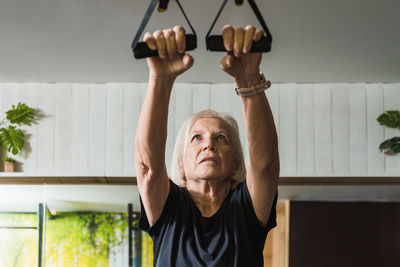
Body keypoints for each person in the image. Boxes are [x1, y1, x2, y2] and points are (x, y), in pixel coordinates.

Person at [135, 24, 279, 267]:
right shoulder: (169, 207)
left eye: (221, 138)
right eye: (197, 138)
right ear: (181, 163)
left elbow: (265, 167)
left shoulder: (245, 207)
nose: (209, 144)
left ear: (236, 164)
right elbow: (148, 170)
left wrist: (249, 79)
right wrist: (160, 80)